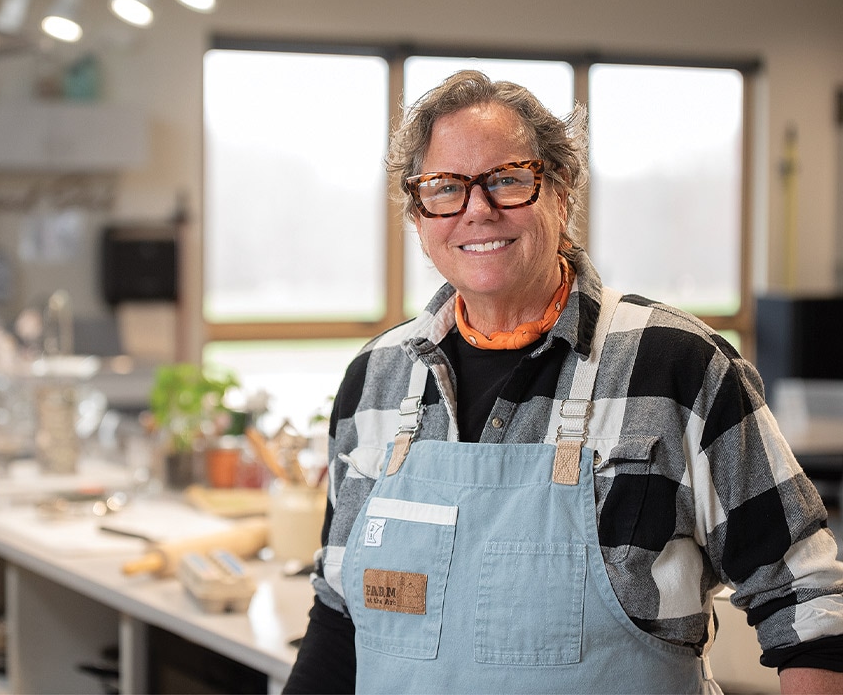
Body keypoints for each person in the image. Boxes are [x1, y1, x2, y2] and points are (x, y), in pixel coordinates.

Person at [283, 70, 843, 694]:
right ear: (419, 215)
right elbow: (339, 617)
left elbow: (808, 607)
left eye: (507, 180)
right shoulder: (376, 380)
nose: (477, 209)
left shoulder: (675, 366)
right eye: (445, 189)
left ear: (561, 191)